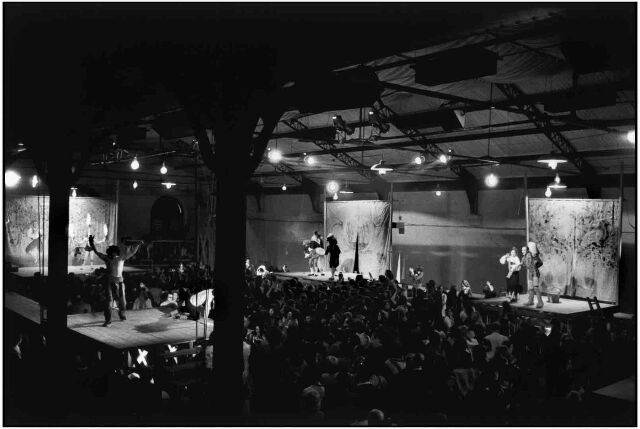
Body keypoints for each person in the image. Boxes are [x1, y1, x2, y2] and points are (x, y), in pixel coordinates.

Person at [88, 235, 143, 326]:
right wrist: (91, 243)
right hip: (110, 281)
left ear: (116, 252)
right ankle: (108, 320)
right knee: (109, 301)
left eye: (115, 253)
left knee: (122, 301)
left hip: (120, 281)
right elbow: (97, 252)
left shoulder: (121, 258)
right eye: (112, 253)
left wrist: (138, 244)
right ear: (110, 253)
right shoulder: (107, 258)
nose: (114, 254)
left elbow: (132, 251)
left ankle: (121, 314)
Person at [522, 241, 544, 308]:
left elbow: (540, 263)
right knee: (530, 288)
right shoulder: (526, 256)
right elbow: (525, 264)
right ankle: (530, 301)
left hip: (534, 272)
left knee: (535, 287)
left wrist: (535, 265)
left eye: (524, 249)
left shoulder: (534, 256)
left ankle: (540, 302)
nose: (523, 251)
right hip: (530, 273)